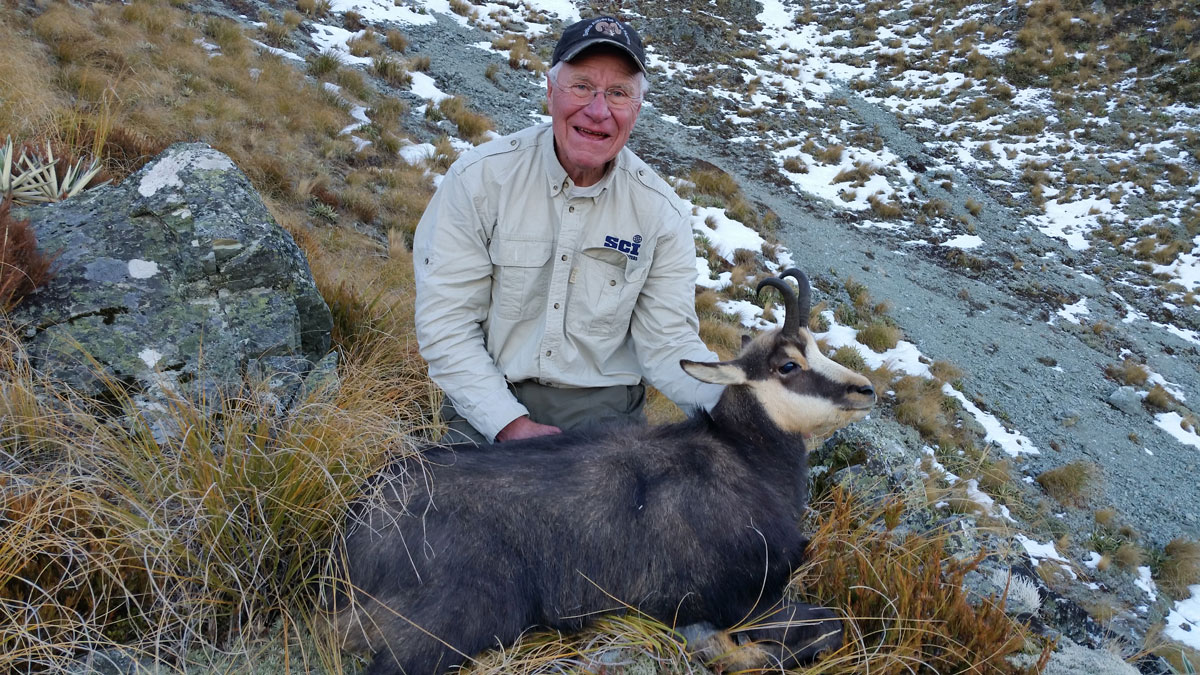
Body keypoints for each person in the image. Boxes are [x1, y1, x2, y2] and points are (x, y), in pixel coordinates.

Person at [413, 15, 723, 444]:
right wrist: (508, 424)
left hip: (606, 424)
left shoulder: (660, 213)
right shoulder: (479, 180)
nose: (598, 111)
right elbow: (446, 323)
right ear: (550, 91)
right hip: (484, 408)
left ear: (636, 110)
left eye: (618, 94)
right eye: (581, 87)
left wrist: (743, 405)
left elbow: (668, 344)